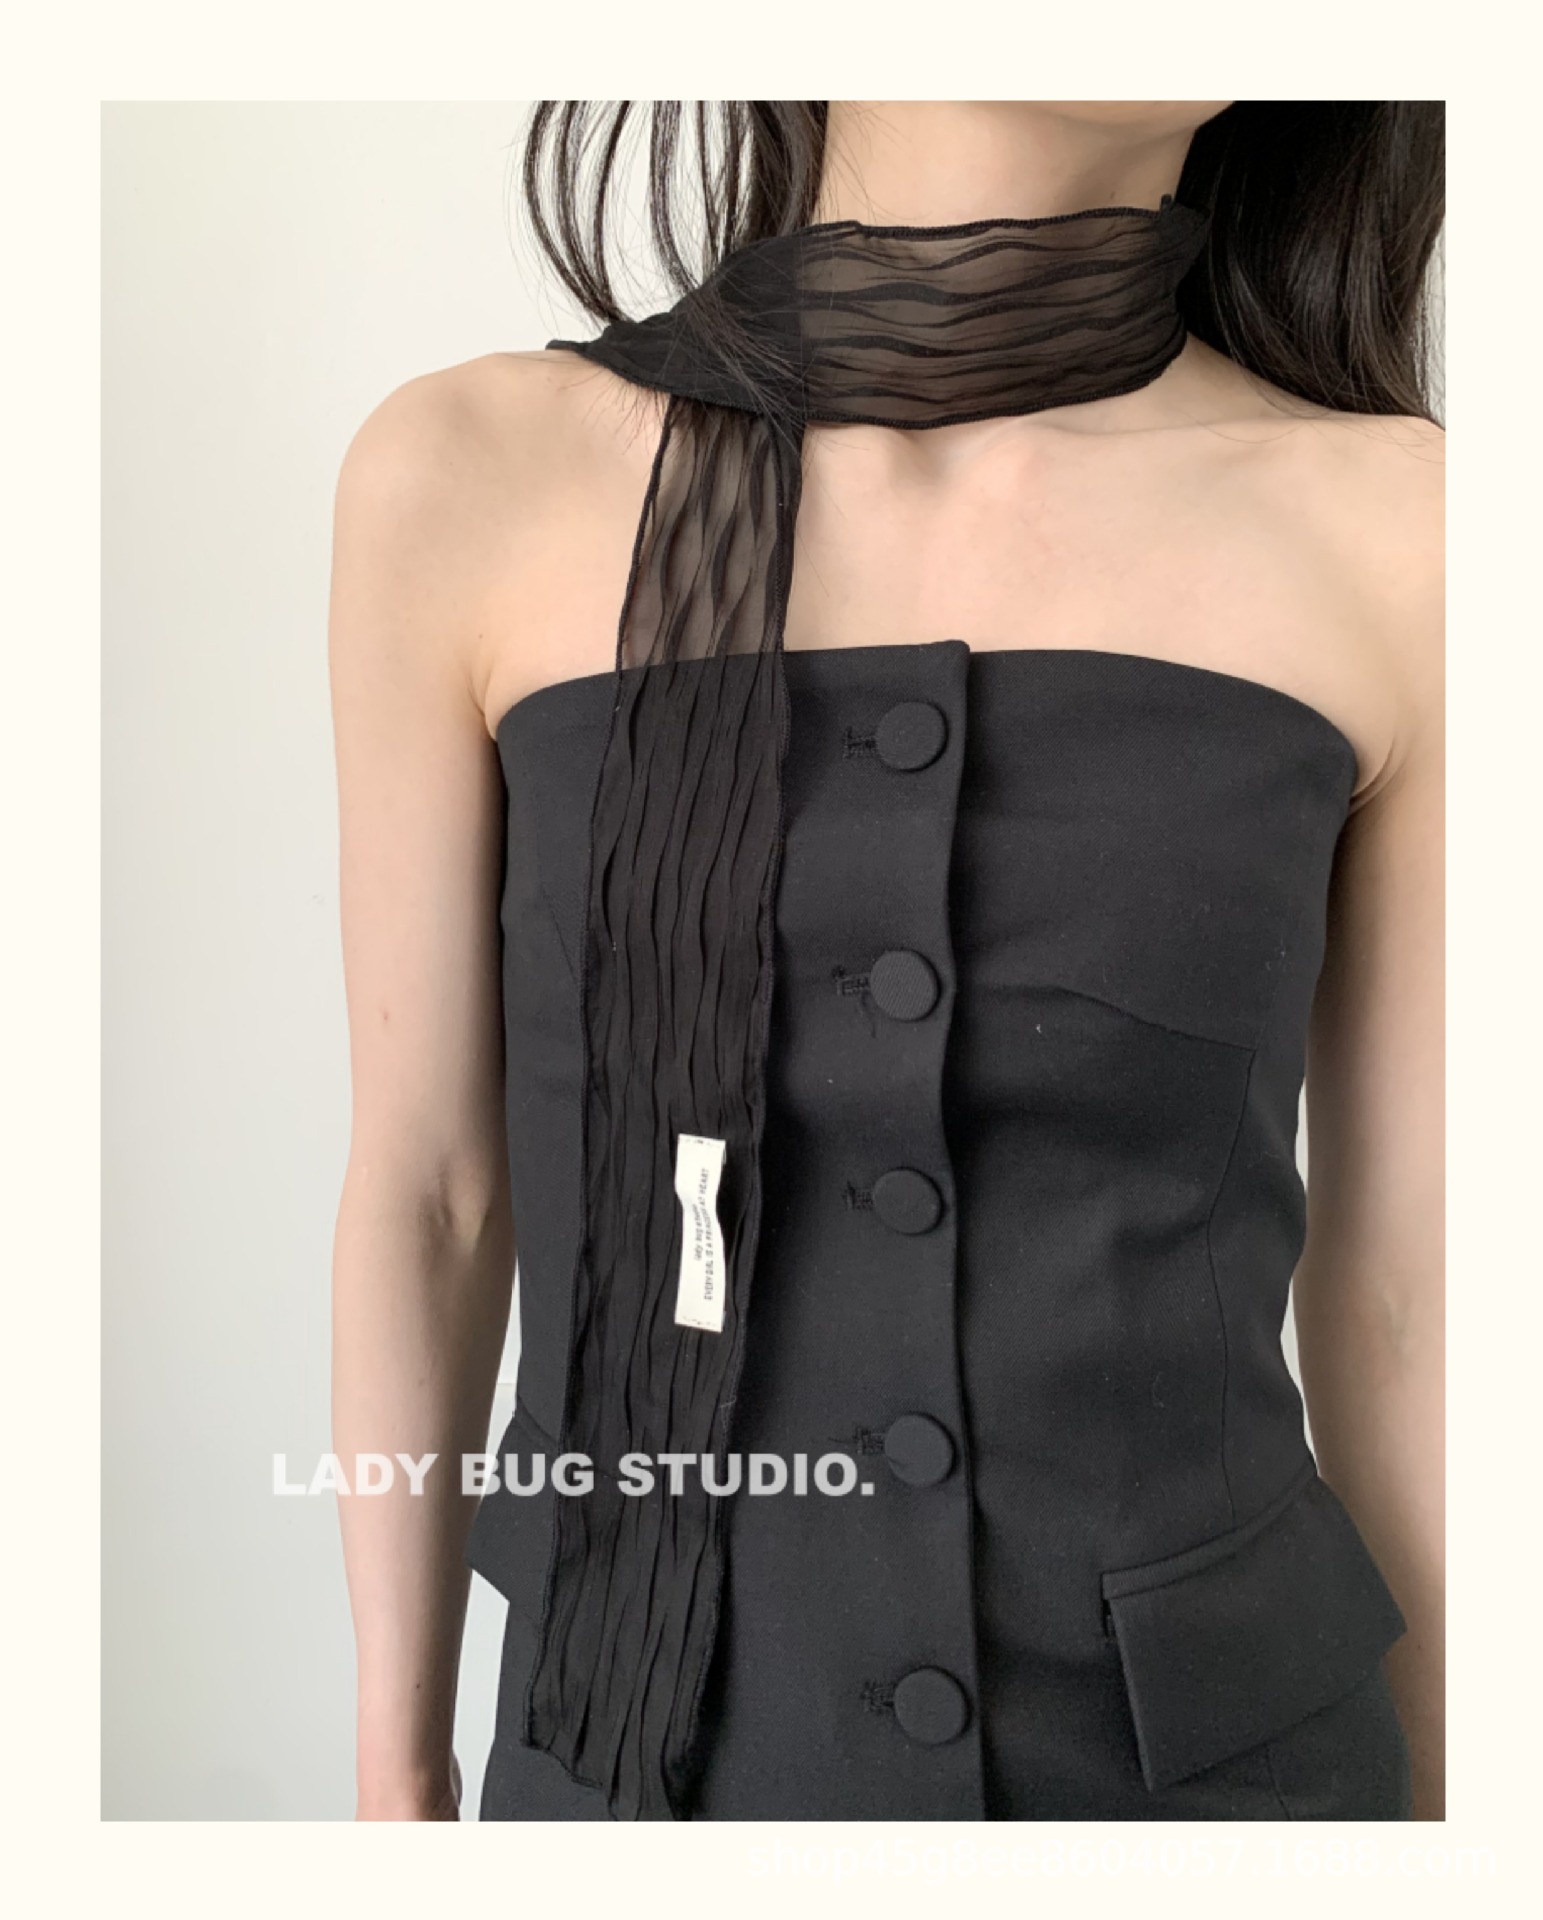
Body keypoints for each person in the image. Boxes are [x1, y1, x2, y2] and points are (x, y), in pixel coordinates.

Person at [327, 100, 1444, 1822]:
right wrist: (394, 1789)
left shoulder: (1412, 530)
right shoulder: (467, 471)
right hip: (634, 1785)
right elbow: (435, 1193)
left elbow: (1413, 1298)